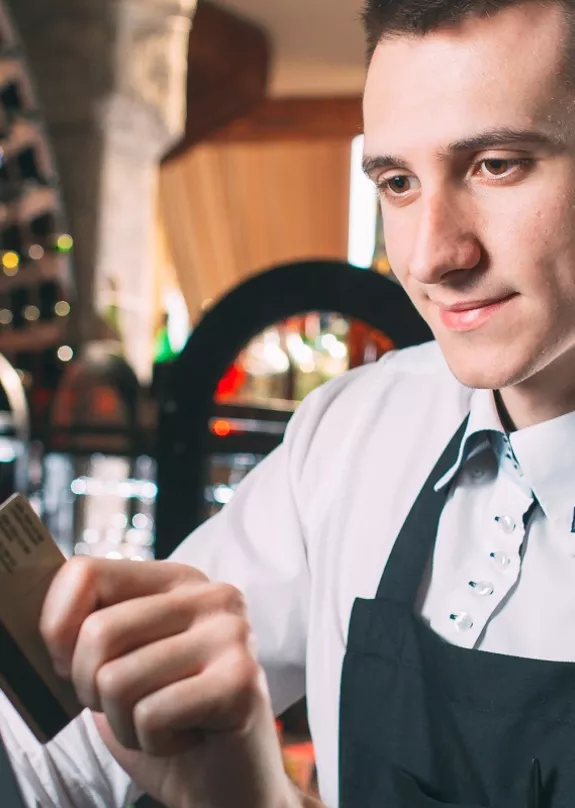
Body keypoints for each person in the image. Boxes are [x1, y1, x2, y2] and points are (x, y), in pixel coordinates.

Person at [4, 0, 575, 805]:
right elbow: (65, 758)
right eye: (397, 182)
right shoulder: (352, 430)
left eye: (497, 164)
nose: (430, 255)